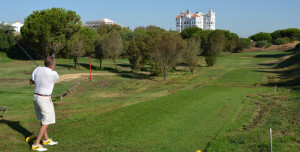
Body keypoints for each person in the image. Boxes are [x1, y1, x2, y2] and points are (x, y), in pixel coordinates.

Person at [30, 56, 59, 151]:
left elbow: (31, 82)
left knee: (44, 119)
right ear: (52, 65)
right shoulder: (54, 74)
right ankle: (36, 144)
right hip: (44, 99)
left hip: (36, 97)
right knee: (46, 121)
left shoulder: (37, 69)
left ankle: (46, 139)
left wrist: (40, 74)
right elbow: (52, 79)